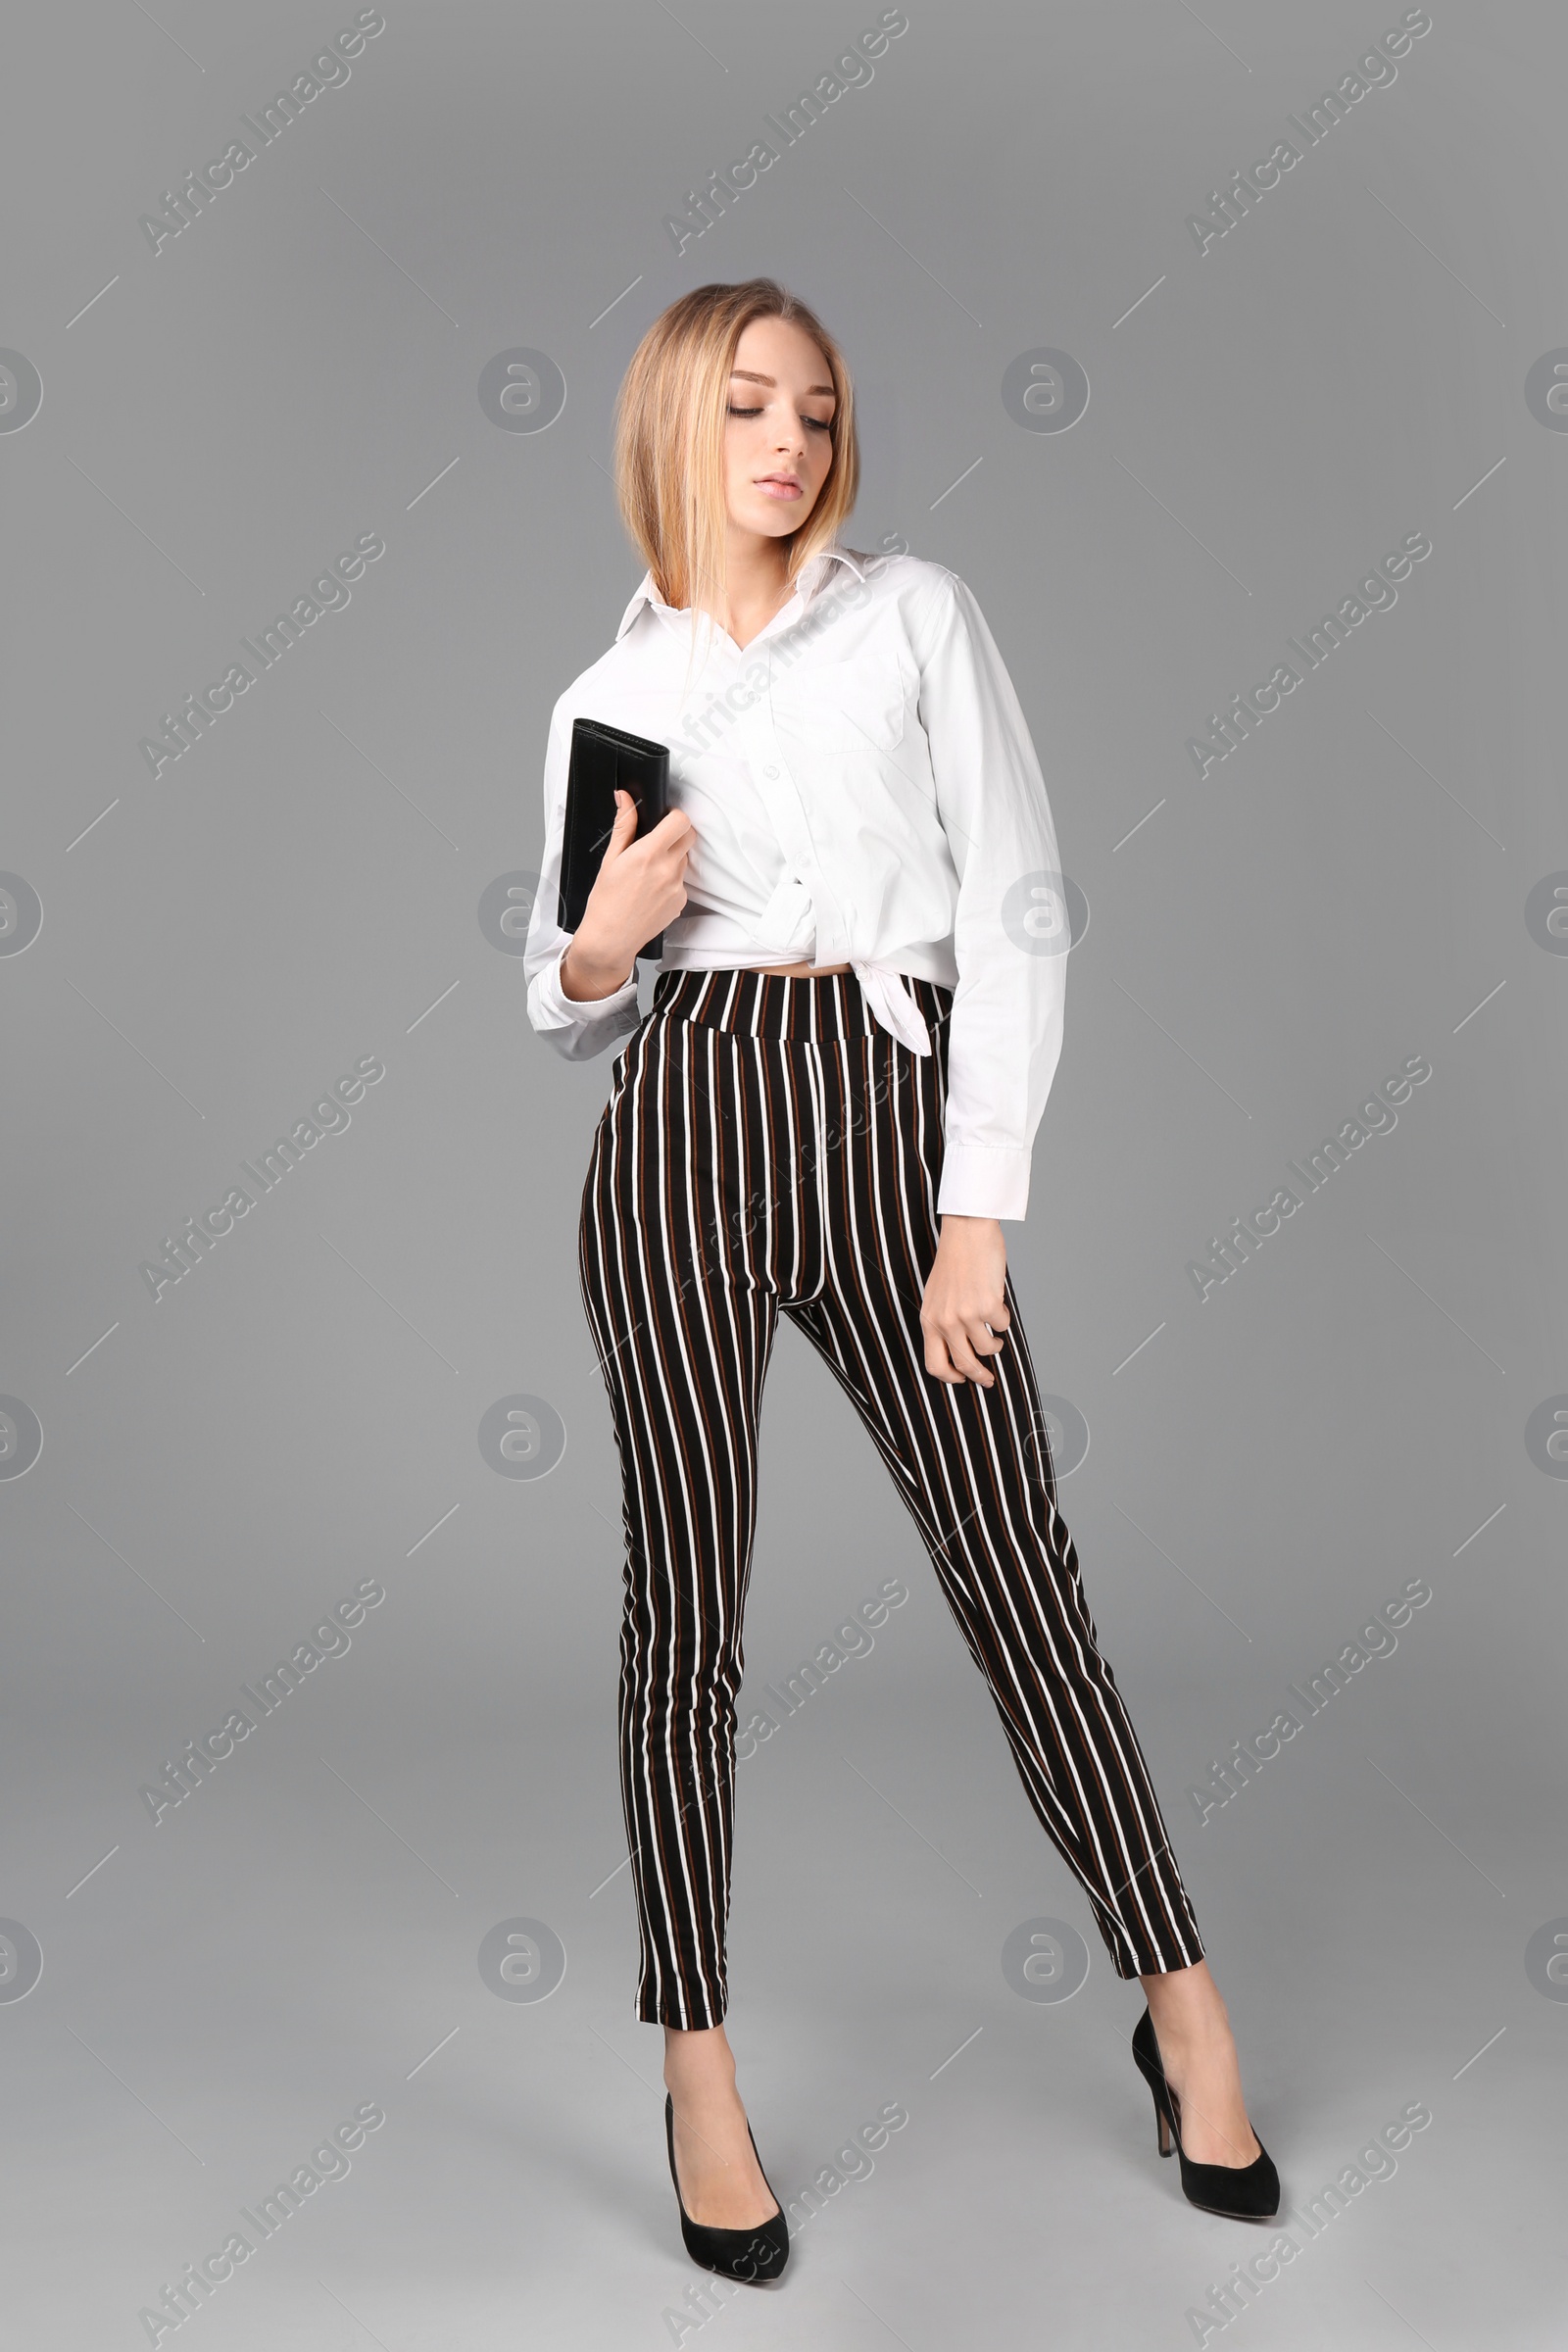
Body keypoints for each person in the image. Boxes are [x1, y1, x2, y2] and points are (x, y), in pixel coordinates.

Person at [523, 278, 1279, 2281]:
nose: (786, 439)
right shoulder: (615, 687)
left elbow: (1015, 905)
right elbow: (562, 995)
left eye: (816, 408)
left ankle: (1177, 2002)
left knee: (1018, 1578)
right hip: (680, 1119)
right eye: (748, 403)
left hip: (884, 1106)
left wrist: (976, 1209)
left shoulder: (914, 616)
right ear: (678, 422)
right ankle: (693, 2064)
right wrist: (598, 938)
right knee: (678, 1613)